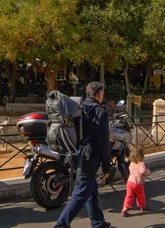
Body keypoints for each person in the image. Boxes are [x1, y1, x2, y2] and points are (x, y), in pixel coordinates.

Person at [55, 82, 113, 228]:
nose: (103, 95)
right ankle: (61, 225)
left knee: (91, 189)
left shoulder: (80, 108)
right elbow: (103, 141)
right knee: (80, 194)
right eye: (102, 93)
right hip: (90, 157)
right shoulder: (100, 110)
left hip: (77, 155)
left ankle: (98, 222)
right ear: (99, 94)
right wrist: (107, 166)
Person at [121, 147, 151, 217]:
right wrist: (148, 171)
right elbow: (143, 171)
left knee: (129, 196)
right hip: (138, 183)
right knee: (140, 195)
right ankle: (143, 206)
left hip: (130, 182)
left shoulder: (132, 163)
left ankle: (125, 208)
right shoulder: (141, 163)